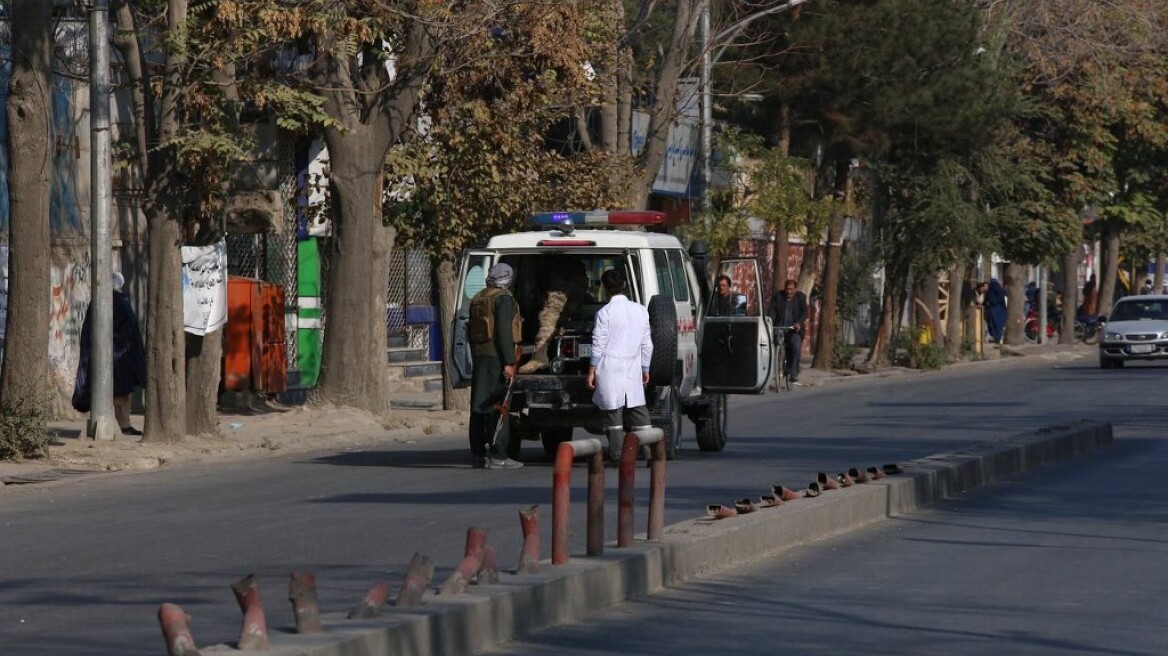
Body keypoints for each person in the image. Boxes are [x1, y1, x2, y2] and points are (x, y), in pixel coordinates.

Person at [586, 269, 654, 463]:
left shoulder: (604, 313)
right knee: (638, 411)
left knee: (613, 413)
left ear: (605, 289)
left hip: (609, 368)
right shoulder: (641, 310)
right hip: (632, 366)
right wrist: (645, 368)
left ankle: (617, 456)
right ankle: (651, 454)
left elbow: (598, 344)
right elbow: (647, 344)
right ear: (624, 284)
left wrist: (591, 371)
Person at [72, 272, 148, 435]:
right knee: (119, 392)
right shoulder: (114, 301)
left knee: (121, 391)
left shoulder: (108, 300)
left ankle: (123, 424)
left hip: (117, 355)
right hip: (116, 356)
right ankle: (121, 425)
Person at [467, 263, 524, 469]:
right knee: (499, 405)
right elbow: (503, 333)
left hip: (481, 356)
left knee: (478, 405)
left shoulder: (479, 297)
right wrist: (509, 362)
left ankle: (478, 453)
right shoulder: (503, 298)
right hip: (497, 358)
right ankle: (499, 455)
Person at [518, 255, 591, 374]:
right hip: (577, 276)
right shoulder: (577, 268)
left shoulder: (554, 265)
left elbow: (551, 312)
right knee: (566, 313)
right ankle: (559, 338)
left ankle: (540, 355)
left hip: (562, 276)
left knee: (549, 314)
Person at [767, 279, 808, 383]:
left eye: (791, 289)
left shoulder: (800, 298)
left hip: (793, 329)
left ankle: (793, 371)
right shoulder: (778, 296)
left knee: (796, 345)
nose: (788, 292)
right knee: (774, 343)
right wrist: (770, 321)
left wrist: (799, 323)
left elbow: (805, 313)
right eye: (787, 289)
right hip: (780, 327)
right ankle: (774, 367)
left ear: (795, 289)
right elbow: (772, 310)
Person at [984, 278, 1007, 343]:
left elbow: (988, 300)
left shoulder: (990, 290)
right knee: (999, 325)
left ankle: (996, 337)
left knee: (992, 324)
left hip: (992, 309)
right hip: (1001, 309)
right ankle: (998, 337)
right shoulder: (1001, 290)